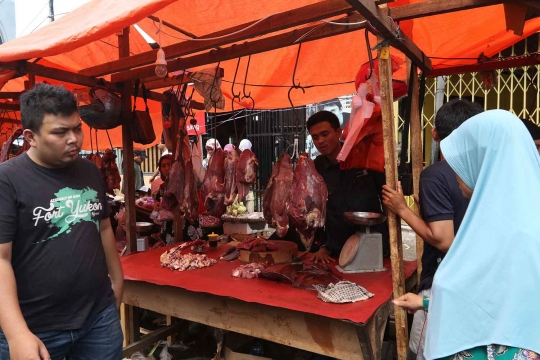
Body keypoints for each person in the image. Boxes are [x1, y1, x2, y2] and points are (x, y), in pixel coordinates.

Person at [393, 110, 540, 359]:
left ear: (485, 161)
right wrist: (425, 303)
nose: (455, 172)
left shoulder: (514, 233)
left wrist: (403, 211)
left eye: (463, 160)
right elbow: (488, 299)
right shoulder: (502, 219)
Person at [0, 83, 123, 359]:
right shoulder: (7, 180)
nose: (74, 139)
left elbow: (103, 228)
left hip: (97, 319)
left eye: (76, 128)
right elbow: (0, 259)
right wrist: (16, 333)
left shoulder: (89, 171)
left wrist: (117, 280)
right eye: (60, 132)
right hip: (35, 328)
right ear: (31, 137)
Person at [381, 99, 483, 360]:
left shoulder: (436, 174)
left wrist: (402, 209)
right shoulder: (489, 169)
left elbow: (444, 239)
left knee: (425, 353)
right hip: (478, 284)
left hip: (443, 282)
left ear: (436, 134)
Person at [306, 110, 388, 263]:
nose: (320, 141)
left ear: (338, 132)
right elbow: (316, 210)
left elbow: (386, 197)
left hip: (373, 243)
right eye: (315, 137)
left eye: (325, 134)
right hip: (336, 248)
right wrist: (323, 246)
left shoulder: (364, 157)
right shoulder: (316, 167)